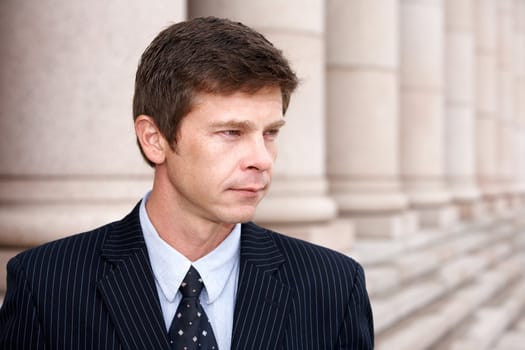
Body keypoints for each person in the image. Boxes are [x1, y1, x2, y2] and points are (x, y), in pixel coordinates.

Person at [0, 16, 374, 350]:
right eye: (231, 132)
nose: (261, 159)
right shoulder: (46, 285)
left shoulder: (334, 287)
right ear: (155, 139)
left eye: (270, 133)